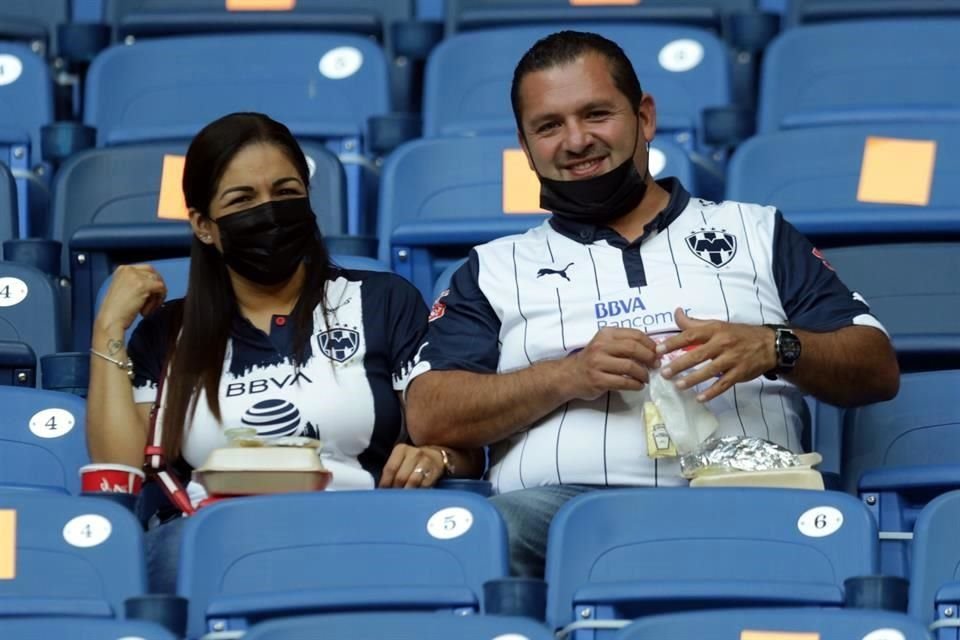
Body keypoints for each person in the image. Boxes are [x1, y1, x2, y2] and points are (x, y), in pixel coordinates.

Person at [404, 31, 900, 578]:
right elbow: (429, 413)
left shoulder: (756, 231)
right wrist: (567, 376)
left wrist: (774, 346)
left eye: (596, 114)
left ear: (644, 117)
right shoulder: (494, 267)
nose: (576, 141)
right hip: (560, 518)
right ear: (526, 147)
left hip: (746, 498)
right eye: (549, 126)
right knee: (484, 537)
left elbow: (876, 367)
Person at [88, 112, 482, 592]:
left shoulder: (383, 301)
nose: (269, 212)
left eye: (285, 192)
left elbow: (462, 450)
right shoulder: (168, 331)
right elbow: (121, 474)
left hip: (360, 529)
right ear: (204, 225)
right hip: (213, 542)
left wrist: (437, 457)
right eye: (242, 199)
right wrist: (108, 328)